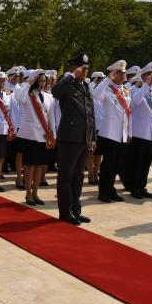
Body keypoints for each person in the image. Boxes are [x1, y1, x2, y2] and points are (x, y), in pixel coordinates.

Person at [51, 53, 95, 225]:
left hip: (84, 138)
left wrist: (93, 137)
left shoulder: (86, 87)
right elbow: (55, 91)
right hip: (69, 138)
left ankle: (76, 210)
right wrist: (71, 75)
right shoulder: (67, 85)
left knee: (78, 176)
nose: (85, 71)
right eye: (82, 68)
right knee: (66, 177)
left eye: (86, 68)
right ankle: (65, 212)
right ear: (73, 68)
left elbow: (91, 114)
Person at [15, 70, 56, 206]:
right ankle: (28, 193)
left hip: (43, 135)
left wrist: (53, 134)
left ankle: (35, 193)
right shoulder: (27, 94)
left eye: (44, 81)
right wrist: (29, 83)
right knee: (29, 166)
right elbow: (18, 98)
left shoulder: (49, 97)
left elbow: (51, 117)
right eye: (40, 81)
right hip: (30, 135)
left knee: (39, 165)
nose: (42, 83)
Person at [124, 62, 152, 199]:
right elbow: (136, 101)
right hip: (139, 133)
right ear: (144, 76)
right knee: (137, 162)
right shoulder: (135, 90)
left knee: (146, 163)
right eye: (151, 75)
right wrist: (145, 85)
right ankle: (134, 187)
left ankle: (142, 186)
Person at [95, 60, 131, 203]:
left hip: (122, 133)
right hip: (109, 133)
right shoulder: (106, 88)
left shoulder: (125, 90)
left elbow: (128, 113)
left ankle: (111, 189)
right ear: (114, 74)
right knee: (108, 165)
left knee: (117, 164)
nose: (123, 75)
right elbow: (95, 95)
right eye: (120, 73)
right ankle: (103, 192)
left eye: (124, 73)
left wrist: (129, 132)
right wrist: (108, 78)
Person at [87, 71, 106, 185]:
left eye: (102, 79)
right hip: (91, 127)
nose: (101, 81)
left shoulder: (104, 91)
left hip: (101, 127)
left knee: (99, 153)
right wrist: (93, 82)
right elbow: (89, 88)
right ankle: (90, 174)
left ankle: (95, 173)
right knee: (91, 153)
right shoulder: (89, 90)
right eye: (99, 79)